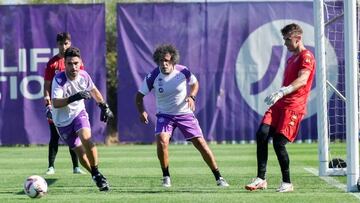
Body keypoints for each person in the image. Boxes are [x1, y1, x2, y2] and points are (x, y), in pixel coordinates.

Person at [135, 44, 229, 187]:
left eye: (167, 60)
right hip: (165, 115)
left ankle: (219, 177)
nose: (164, 63)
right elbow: (138, 96)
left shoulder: (183, 71)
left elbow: (195, 83)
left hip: (184, 113)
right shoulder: (153, 76)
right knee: (162, 140)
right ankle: (166, 176)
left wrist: (192, 96)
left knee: (201, 144)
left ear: (173, 60)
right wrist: (142, 111)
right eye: (161, 61)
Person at [245, 23, 316, 193]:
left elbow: (302, 80)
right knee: (262, 134)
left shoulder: (307, 56)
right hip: (280, 103)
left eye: (287, 39)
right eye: (283, 39)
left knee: (278, 143)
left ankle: (287, 183)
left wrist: (283, 91)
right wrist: (279, 94)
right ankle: (261, 179)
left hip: (293, 106)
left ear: (298, 39)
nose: (285, 43)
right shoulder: (291, 58)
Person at [51, 46, 114, 191]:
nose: (73, 67)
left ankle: (96, 172)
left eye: (76, 63)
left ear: (80, 63)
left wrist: (104, 106)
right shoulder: (59, 79)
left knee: (86, 138)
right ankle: (95, 175)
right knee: (80, 153)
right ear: (64, 64)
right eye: (69, 64)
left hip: (79, 113)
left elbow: (93, 90)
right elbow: (56, 103)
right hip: (61, 122)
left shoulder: (84, 76)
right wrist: (75, 97)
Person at [44, 32, 85, 175]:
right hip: (57, 105)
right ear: (57, 45)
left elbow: (82, 81)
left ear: (70, 43)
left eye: (66, 43)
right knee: (54, 136)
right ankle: (51, 167)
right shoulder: (52, 63)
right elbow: (47, 85)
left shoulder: (76, 62)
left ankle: (76, 167)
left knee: (74, 135)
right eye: (61, 43)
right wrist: (48, 103)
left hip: (72, 106)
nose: (63, 46)